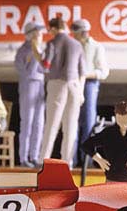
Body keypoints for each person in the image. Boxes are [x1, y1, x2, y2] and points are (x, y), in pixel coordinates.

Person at [32, 17, 86, 166]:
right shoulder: (77, 44)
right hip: (75, 85)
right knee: (71, 126)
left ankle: (43, 160)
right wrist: (81, 92)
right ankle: (67, 162)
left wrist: (35, 49)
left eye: (50, 29)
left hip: (57, 84)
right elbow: (83, 72)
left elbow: (45, 65)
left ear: (54, 29)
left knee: (52, 124)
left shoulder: (52, 43)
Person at [81, 101, 127, 182]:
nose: (122, 123)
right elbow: (86, 145)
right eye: (119, 118)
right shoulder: (108, 133)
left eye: (125, 119)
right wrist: (99, 160)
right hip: (112, 178)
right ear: (115, 116)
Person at [70, 19, 109, 167]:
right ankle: (71, 160)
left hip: (89, 85)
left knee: (88, 123)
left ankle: (87, 161)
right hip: (73, 84)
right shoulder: (72, 46)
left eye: (76, 33)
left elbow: (103, 72)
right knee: (71, 122)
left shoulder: (97, 47)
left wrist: (85, 74)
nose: (74, 36)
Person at [14, 23, 45, 168]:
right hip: (28, 85)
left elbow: (46, 68)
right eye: (38, 32)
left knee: (39, 122)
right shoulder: (23, 50)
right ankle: (24, 157)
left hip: (40, 85)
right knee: (27, 121)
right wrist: (33, 53)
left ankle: (35, 156)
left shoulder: (41, 49)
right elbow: (24, 71)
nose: (41, 35)